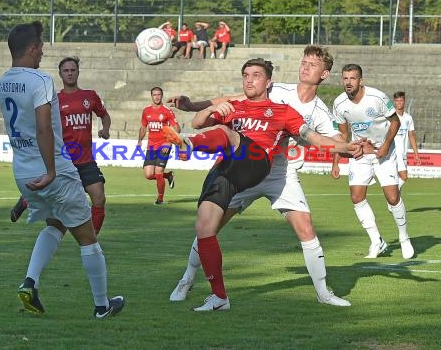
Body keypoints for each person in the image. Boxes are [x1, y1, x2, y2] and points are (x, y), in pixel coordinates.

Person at [162, 58, 361, 311]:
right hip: (236, 171)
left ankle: (323, 292)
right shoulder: (238, 104)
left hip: (275, 172)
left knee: (306, 229)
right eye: (246, 75)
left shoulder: (293, 109)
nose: (249, 79)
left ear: (269, 82)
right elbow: (199, 121)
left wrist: (346, 148)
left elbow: (318, 139)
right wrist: (209, 110)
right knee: (206, 227)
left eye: (255, 75)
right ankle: (188, 280)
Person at [0, 21, 124, 318]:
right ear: (31, 49)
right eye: (40, 45)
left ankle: (30, 283)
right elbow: (43, 127)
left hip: (23, 172)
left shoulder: (3, 81)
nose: (42, 51)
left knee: (55, 224)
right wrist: (53, 171)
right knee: (87, 237)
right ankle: (102, 306)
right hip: (52, 172)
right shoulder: (40, 80)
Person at [10, 57, 111, 236]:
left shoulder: (90, 96)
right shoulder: (54, 99)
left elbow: (104, 115)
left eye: (73, 70)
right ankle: (26, 200)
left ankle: (93, 237)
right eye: (66, 70)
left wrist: (105, 129)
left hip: (85, 159)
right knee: (54, 204)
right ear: (60, 74)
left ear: (78, 72)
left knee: (99, 198)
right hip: (63, 159)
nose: (70, 73)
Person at [331, 64, 414, 260]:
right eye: (345, 78)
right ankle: (377, 241)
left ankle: (404, 238)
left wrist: (385, 145)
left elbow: (395, 121)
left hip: (383, 152)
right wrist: (336, 161)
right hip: (361, 153)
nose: (348, 82)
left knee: (393, 198)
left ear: (361, 81)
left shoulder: (377, 98)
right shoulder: (339, 104)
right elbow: (341, 135)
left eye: (352, 78)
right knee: (356, 197)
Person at [137, 87, 179, 205]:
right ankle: (169, 175)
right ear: (151, 96)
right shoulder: (146, 111)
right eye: (154, 95)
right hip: (151, 146)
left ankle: (160, 200)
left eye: (159, 94)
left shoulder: (167, 111)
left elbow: (177, 128)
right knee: (149, 174)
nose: (156, 97)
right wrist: (139, 140)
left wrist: (169, 142)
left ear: (162, 96)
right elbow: (143, 127)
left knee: (158, 172)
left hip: (164, 145)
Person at [393, 91, 421, 189]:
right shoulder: (390, 117)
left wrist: (416, 154)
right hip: (394, 152)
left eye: (401, 100)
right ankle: (393, 193)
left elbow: (411, 135)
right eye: (397, 100)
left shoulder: (408, 118)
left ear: (404, 101)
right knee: (404, 177)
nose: (399, 102)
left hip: (403, 153)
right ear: (394, 102)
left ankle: (394, 199)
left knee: (398, 179)